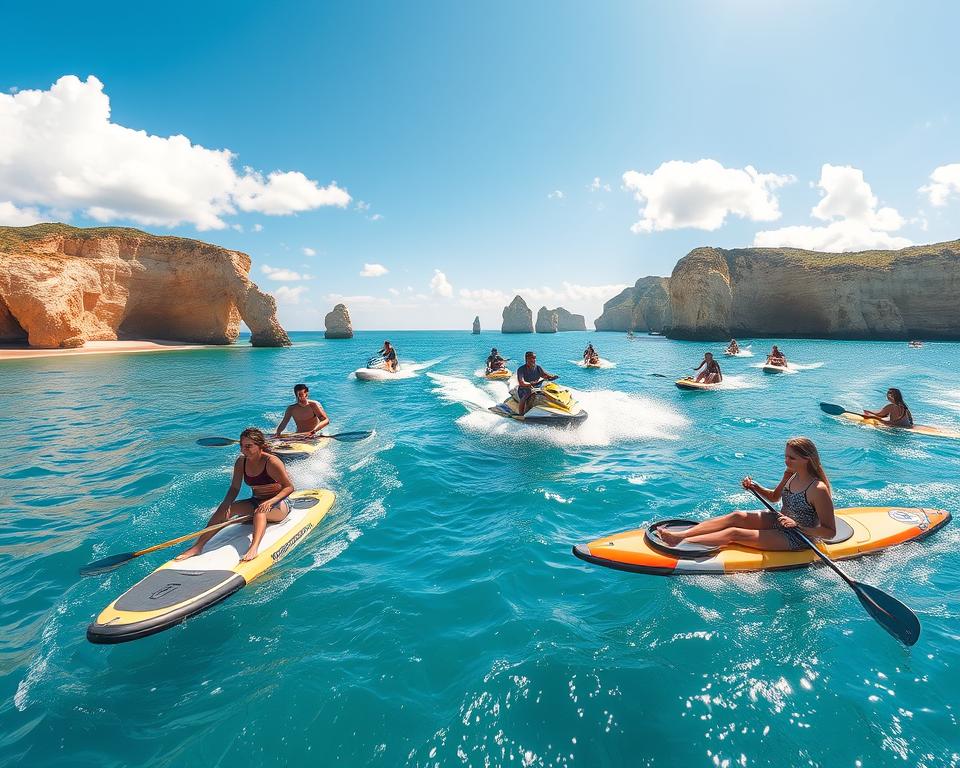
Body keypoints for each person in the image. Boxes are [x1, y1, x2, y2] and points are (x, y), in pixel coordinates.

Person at [658, 437, 836, 551]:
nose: (786, 460)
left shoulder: (818, 489)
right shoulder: (790, 474)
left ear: (807, 460)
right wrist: (755, 487)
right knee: (737, 516)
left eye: (791, 457)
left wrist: (796, 525)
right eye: (786, 456)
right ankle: (686, 534)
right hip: (780, 520)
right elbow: (774, 497)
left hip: (799, 536)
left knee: (735, 533)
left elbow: (829, 532)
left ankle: (680, 541)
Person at [176, 428, 295, 562]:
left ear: (260, 445)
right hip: (256, 501)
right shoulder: (241, 462)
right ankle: (198, 546)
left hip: (279, 504)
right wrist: (226, 504)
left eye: (248, 446)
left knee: (259, 511)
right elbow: (234, 488)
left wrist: (271, 501)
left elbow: (289, 487)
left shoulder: (272, 462)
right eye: (242, 446)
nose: (243, 450)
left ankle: (254, 548)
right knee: (226, 509)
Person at [515, 351, 558, 417]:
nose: (533, 360)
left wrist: (553, 377)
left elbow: (545, 375)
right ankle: (521, 414)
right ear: (527, 358)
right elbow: (521, 382)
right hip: (524, 388)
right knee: (526, 394)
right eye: (532, 358)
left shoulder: (538, 368)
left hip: (536, 387)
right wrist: (530, 384)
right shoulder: (521, 369)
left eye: (534, 358)